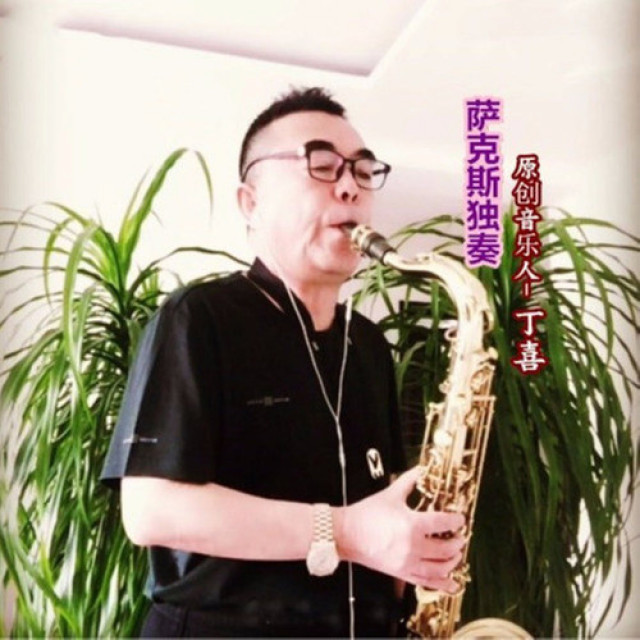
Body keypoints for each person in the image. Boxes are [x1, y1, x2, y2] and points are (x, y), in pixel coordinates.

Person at [101, 86, 465, 638]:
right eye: (322, 165)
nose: (350, 186)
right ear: (251, 202)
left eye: (363, 170)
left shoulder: (367, 344)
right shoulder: (198, 316)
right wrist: (346, 531)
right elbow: (151, 510)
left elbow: (383, 510)